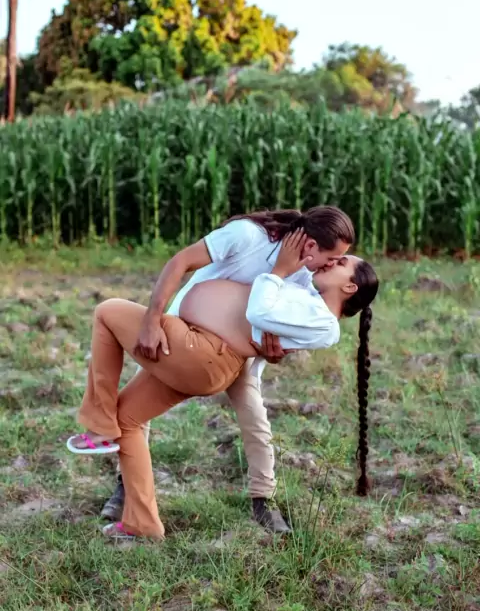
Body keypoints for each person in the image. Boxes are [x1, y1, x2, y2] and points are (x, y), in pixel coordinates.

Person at [67, 231, 379, 541]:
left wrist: (279, 271)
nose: (331, 262)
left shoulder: (319, 314)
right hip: (195, 347)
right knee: (127, 418)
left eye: (341, 262)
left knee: (107, 311)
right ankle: (143, 523)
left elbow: (260, 313)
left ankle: (100, 426)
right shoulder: (288, 271)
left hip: (204, 352)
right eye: (333, 256)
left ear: (349, 287)